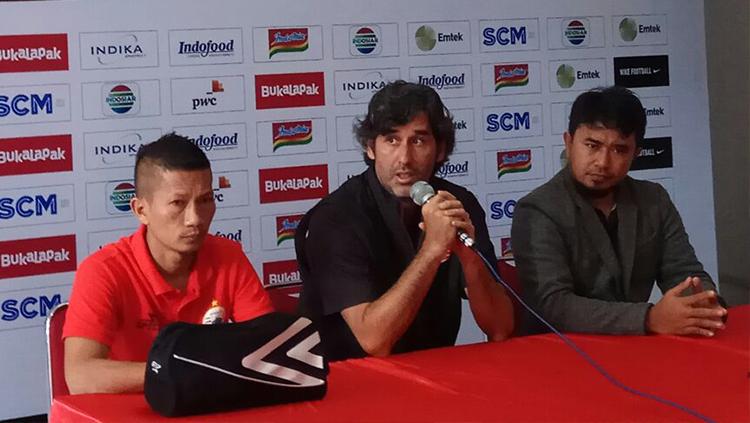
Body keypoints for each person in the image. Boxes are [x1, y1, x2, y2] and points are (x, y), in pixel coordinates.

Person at [295, 81, 514, 361]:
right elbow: (374, 342)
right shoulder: (336, 217)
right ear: (370, 147)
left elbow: (500, 328)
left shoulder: (457, 204)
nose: (404, 159)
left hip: (436, 373)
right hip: (348, 384)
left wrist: (471, 260)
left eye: (419, 140)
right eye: (391, 140)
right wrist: (432, 250)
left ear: (441, 149)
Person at [63, 133, 273, 394]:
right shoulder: (102, 270)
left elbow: (270, 349)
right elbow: (81, 376)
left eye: (205, 200)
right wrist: (177, 369)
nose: (194, 219)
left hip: (204, 407)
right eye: (178, 203)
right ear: (141, 210)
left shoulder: (228, 255)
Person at [511, 86, 728, 336]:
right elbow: (553, 306)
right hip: (561, 353)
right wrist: (649, 319)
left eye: (619, 150)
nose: (603, 162)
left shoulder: (653, 200)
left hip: (638, 349)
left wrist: (701, 304)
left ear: (635, 154)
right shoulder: (538, 209)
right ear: (569, 143)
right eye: (592, 145)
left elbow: (684, 272)